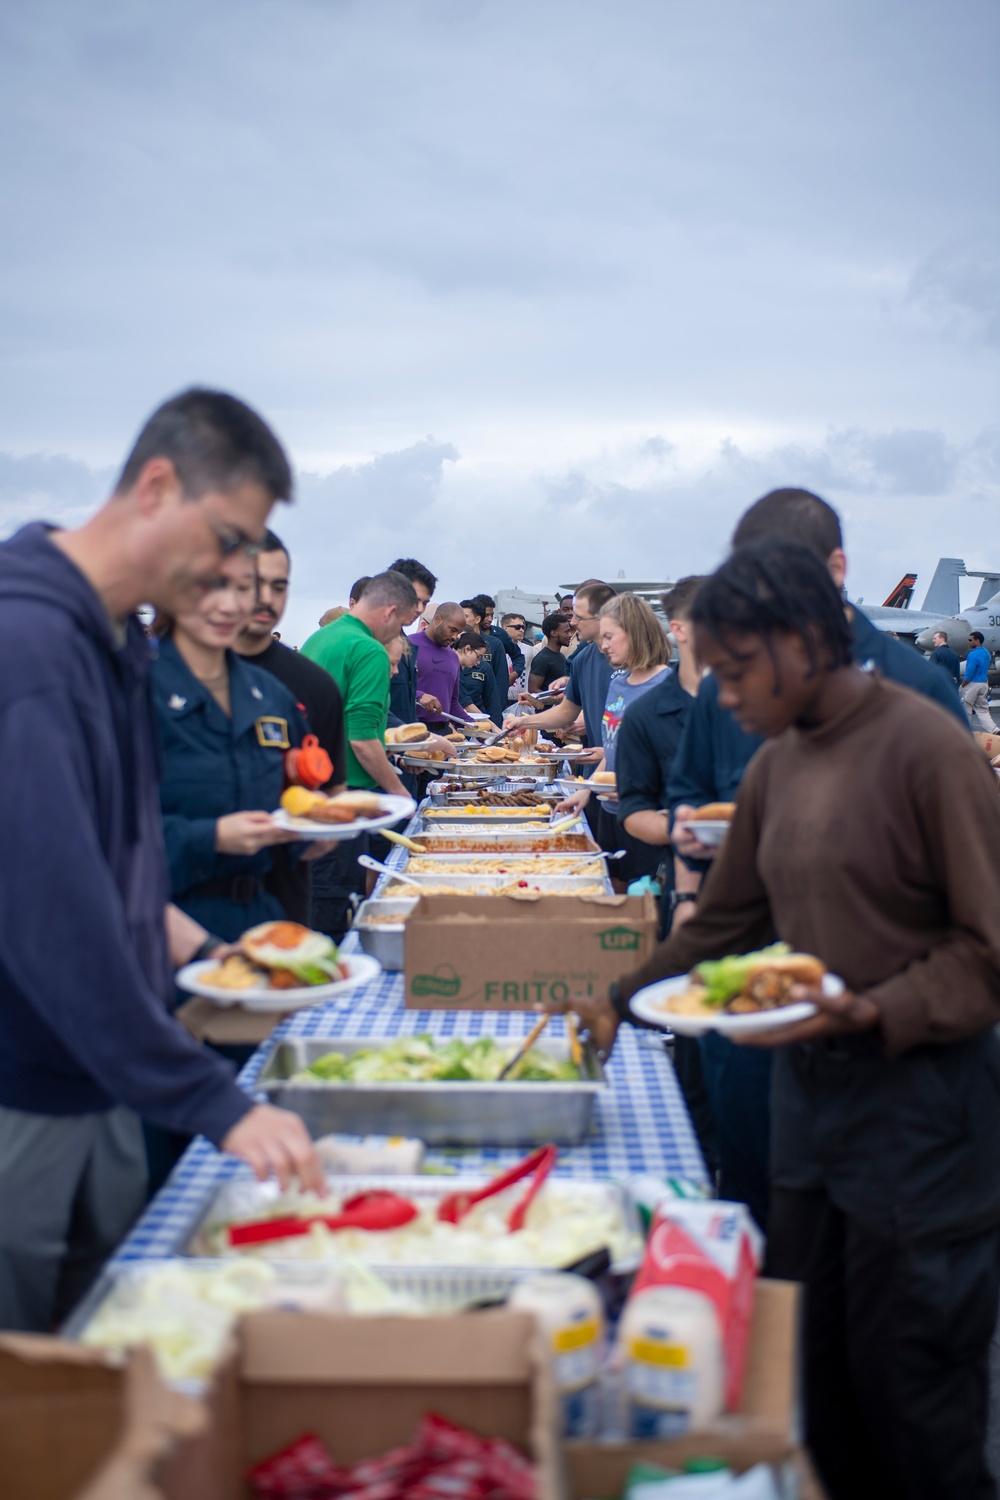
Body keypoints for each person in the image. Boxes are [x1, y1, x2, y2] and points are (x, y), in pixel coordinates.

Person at [561, 538, 1000, 1500]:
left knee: (916, 1412)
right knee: (813, 1390)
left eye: (734, 668)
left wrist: (872, 1007)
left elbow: (987, 949)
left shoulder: (926, 747)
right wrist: (615, 997)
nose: (717, 695)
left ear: (806, 644)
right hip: (809, 1120)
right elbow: (721, 922)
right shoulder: (776, 766)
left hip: (921, 1129)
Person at [0, 387, 323, 1331]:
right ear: (154, 486)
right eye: (227, 538)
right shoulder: (29, 647)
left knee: (106, 1347)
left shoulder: (109, 642)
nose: (238, 573)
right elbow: (54, 916)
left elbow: (118, 858)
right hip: (23, 1082)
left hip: (98, 1071)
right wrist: (212, 1104)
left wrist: (203, 959)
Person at [668, 487, 967, 1231]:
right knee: (757, 1210)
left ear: (837, 569)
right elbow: (690, 791)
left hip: (882, 1042)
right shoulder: (727, 688)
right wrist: (687, 887)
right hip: (749, 1008)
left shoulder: (920, 691)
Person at [151, 552, 316, 942]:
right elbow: (91, 838)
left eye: (243, 588)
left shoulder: (269, 696)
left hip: (261, 918)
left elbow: (297, 798)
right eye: (210, 586)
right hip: (159, 927)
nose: (229, 604)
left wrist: (313, 830)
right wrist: (210, 837)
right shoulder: (130, 692)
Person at [233, 531, 347, 925]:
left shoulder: (313, 684)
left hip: (281, 894)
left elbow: (333, 791)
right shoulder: (171, 677)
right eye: (250, 583)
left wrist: (324, 831)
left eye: (278, 586)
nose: (266, 598)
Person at [300, 570, 420, 937]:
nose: (398, 633)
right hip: (345, 797)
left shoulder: (321, 638)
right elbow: (363, 740)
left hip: (308, 790)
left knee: (313, 900)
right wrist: (400, 795)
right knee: (336, 906)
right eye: (402, 623)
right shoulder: (367, 648)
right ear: (389, 612)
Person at [556, 593, 671, 887]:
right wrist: (587, 790)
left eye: (610, 636)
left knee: (641, 905)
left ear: (634, 632)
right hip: (609, 811)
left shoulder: (667, 687)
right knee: (612, 891)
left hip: (646, 816)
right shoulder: (619, 683)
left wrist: (638, 791)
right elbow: (612, 746)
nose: (603, 645)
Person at [503, 582, 617, 770]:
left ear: (603, 617)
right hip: (593, 770)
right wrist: (523, 722)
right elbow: (566, 711)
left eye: (578, 617)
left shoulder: (634, 659)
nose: (572, 623)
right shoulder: (583, 658)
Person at [385, 557, 438, 725]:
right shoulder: (370, 640)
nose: (420, 609)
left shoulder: (406, 643)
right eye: (415, 600)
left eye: (425, 603)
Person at [410, 603, 474, 733]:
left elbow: (453, 703)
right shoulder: (407, 645)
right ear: (438, 620)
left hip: (443, 731)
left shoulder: (453, 657)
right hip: (411, 729)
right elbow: (389, 687)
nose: (455, 637)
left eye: (458, 633)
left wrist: (473, 725)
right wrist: (418, 696)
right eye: (452, 630)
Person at [460, 598, 510, 724]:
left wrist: (495, 724)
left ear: (477, 619)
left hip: (483, 715)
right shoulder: (450, 652)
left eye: (465, 616)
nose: (460, 620)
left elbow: (499, 687)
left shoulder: (494, 644)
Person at [474, 593, 525, 679]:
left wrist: (514, 674)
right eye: (486, 615)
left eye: (492, 615)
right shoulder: (466, 634)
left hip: (496, 688)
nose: (490, 619)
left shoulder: (500, 634)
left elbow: (518, 656)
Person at [528, 613, 574, 692]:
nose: (570, 635)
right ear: (553, 633)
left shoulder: (561, 656)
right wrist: (553, 701)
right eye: (566, 632)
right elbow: (533, 690)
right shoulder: (542, 659)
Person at [456, 630, 497, 713]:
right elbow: (464, 702)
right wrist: (490, 724)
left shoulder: (484, 668)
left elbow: (492, 702)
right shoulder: (451, 668)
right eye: (478, 656)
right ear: (467, 649)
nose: (478, 662)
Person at [962, 631, 995, 729]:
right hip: (984, 683)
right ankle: (994, 730)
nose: (968, 642)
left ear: (978, 641)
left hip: (973, 684)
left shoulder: (972, 655)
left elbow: (969, 673)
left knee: (966, 708)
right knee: (983, 710)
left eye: (970, 640)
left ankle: (965, 730)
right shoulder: (986, 653)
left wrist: (963, 685)